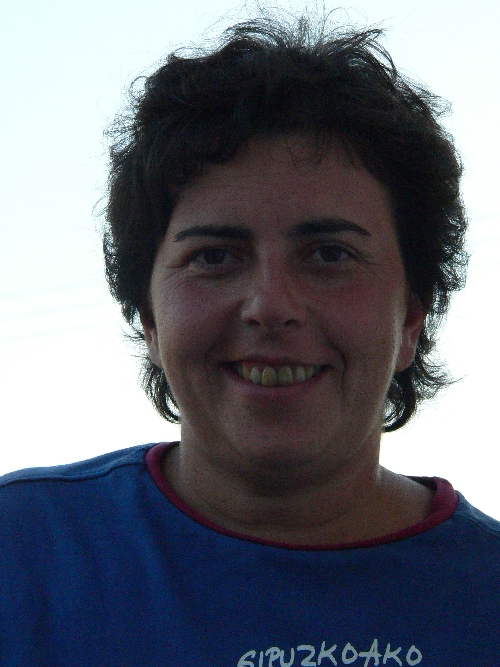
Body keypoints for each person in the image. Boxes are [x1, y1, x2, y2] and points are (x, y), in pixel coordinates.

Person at [1, 15, 498, 667]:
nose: (270, 306)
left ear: (411, 318)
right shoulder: (23, 553)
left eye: (329, 253)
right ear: (149, 318)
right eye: (214, 256)